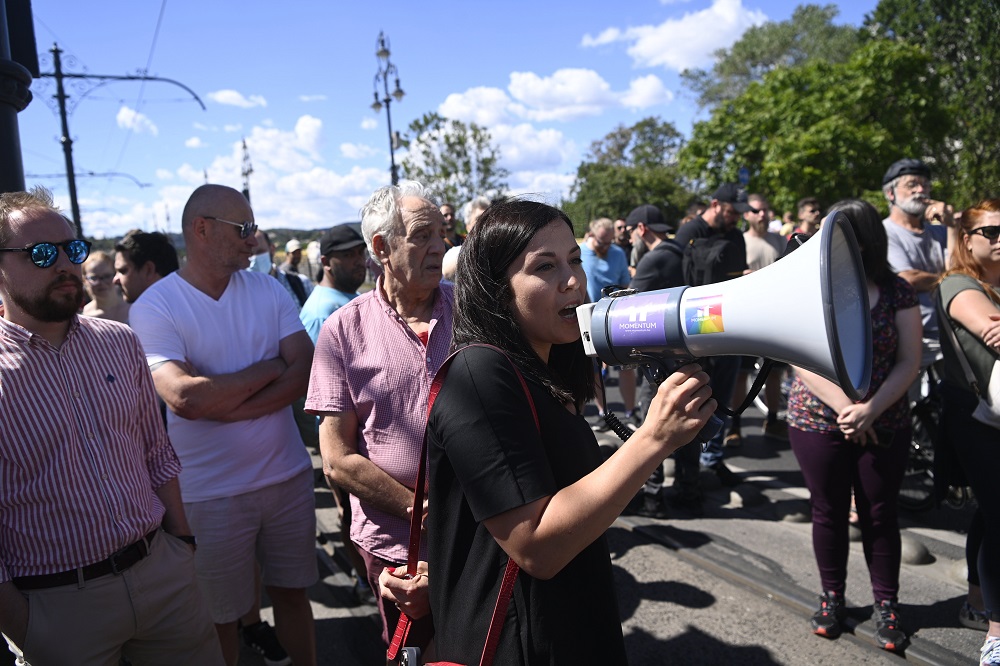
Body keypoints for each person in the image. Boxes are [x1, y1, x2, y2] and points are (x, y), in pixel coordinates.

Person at [386, 197, 713, 663]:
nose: (574, 281)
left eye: (574, 260)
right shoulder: (479, 375)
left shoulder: (544, 369)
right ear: (499, 289)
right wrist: (654, 437)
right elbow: (536, 545)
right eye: (545, 267)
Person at [0, 187, 222, 665]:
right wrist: (24, 625)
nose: (64, 264)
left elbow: (155, 454)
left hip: (162, 577)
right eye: (41, 253)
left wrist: (181, 545)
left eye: (71, 249)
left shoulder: (119, 342)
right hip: (60, 608)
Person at [129, 184, 317, 666]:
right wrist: (266, 369)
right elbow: (183, 397)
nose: (253, 241)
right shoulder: (156, 306)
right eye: (244, 229)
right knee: (220, 619)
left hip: (286, 477)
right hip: (209, 495)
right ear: (202, 229)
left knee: (294, 596)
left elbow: (305, 367)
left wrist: (225, 404)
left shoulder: (266, 288)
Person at [305, 181, 450, 653]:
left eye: (442, 234)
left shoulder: (473, 311)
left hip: (483, 533)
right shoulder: (342, 331)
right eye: (422, 235)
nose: (439, 247)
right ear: (381, 248)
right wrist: (424, 515)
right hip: (396, 548)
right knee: (413, 652)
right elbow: (338, 460)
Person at [786, 199, 921, 652]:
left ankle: (887, 605)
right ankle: (832, 599)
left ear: (862, 240)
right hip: (818, 419)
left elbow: (909, 361)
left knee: (880, 513)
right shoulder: (807, 288)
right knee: (826, 510)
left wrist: (870, 410)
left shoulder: (897, 290)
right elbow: (796, 356)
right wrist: (848, 408)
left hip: (884, 419)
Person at [934, 198, 1000, 666]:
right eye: (991, 233)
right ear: (968, 238)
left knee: (989, 512)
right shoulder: (959, 283)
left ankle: (976, 604)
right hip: (975, 414)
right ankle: (996, 635)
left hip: (991, 415)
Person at [672, 183, 750, 489]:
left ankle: (713, 459)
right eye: (732, 212)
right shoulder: (689, 232)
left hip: (728, 328)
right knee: (695, 402)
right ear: (715, 204)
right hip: (696, 330)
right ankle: (687, 472)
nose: (736, 219)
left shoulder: (736, 236)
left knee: (722, 398)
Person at [882, 158, 960, 373]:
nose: (921, 191)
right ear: (891, 193)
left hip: (949, 335)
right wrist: (949, 279)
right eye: (912, 185)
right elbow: (908, 279)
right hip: (911, 342)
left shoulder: (940, 231)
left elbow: (960, 272)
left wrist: (952, 226)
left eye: (925, 184)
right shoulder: (884, 233)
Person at [728, 194, 789, 446]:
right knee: (740, 374)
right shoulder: (740, 241)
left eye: (765, 210)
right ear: (747, 214)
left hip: (774, 315)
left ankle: (773, 421)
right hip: (746, 317)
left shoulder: (778, 240)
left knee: (774, 373)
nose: (762, 214)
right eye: (756, 211)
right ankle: (735, 426)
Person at [581, 217, 639, 431]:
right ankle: (603, 413)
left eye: (609, 242)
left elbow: (626, 283)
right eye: (601, 243)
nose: (605, 247)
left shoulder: (617, 253)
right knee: (595, 369)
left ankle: (631, 413)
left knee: (627, 366)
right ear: (591, 235)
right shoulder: (578, 252)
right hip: (589, 317)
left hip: (616, 317)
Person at [299, 225, 368, 343]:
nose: (360, 261)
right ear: (326, 262)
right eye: (348, 255)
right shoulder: (321, 315)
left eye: (361, 252)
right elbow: (316, 361)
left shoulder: (350, 295)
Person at [250, 229, 314, 310]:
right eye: (249, 254)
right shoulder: (239, 294)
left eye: (260, 252)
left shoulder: (301, 283)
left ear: (272, 249)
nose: (254, 259)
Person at [113, 229, 179, 304]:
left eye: (123, 271)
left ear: (149, 270)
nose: (115, 280)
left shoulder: (150, 312)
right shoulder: (187, 302)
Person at [442, 195, 490, 281]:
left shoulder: (462, 238)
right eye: (445, 215)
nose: (485, 223)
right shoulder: (438, 245)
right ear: (468, 226)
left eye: (452, 214)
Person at [82, 250, 130, 322]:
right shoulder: (84, 318)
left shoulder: (133, 307)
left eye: (107, 276)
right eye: (94, 278)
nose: (101, 283)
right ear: (84, 281)